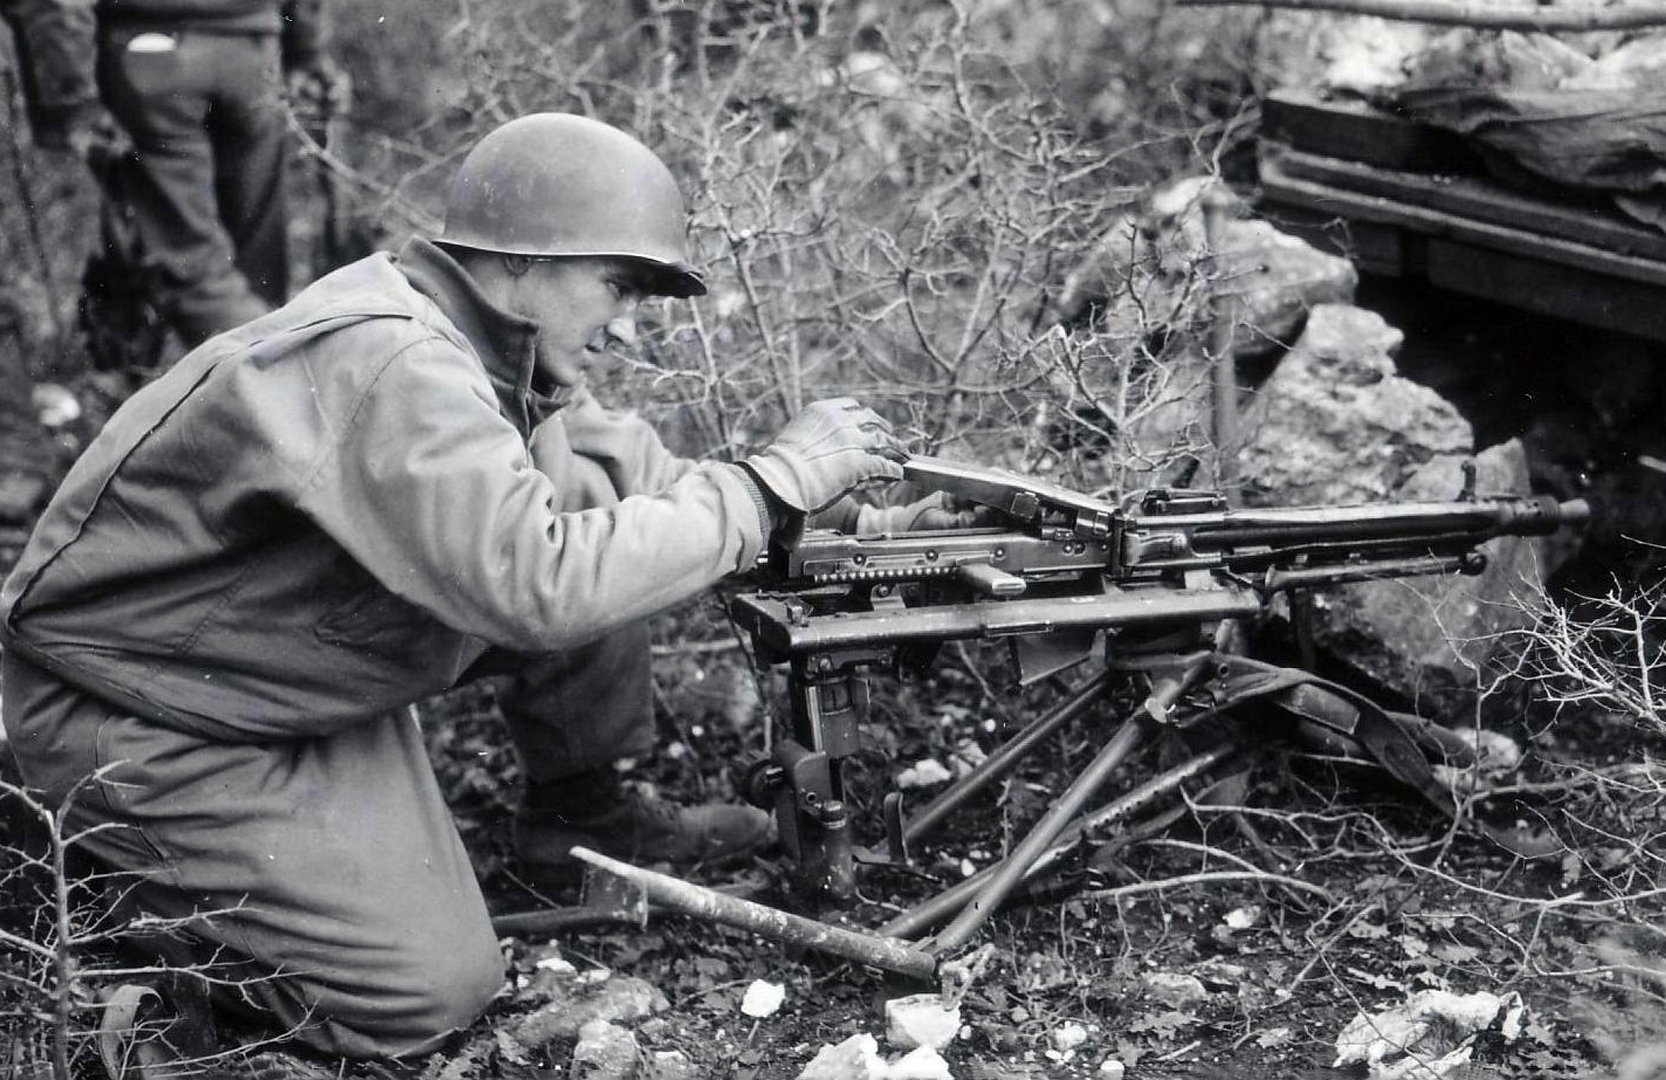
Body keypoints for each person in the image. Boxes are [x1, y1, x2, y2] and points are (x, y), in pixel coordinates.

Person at [0, 112, 969, 1059]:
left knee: (597, 504)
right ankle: (100, 894)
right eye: (617, 289)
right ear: (527, 261)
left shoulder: (487, 348)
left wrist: (865, 533)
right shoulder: (399, 362)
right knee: (426, 994)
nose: (627, 331)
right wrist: (763, 484)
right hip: (140, 722)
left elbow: (655, 491)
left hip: (268, 673)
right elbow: (538, 585)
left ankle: (575, 816)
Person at [4, 0, 336, 349]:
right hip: (254, 50)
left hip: (151, 56)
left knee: (193, 261)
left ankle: (265, 371)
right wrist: (308, 49)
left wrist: (70, 103)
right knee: (254, 249)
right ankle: (275, 363)